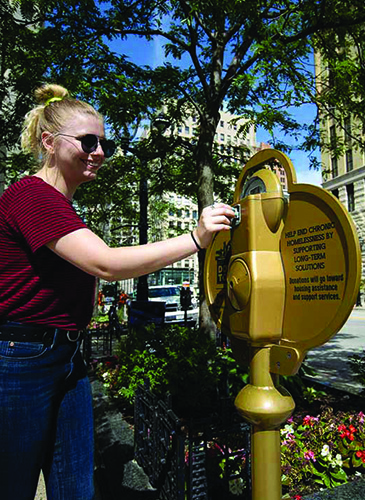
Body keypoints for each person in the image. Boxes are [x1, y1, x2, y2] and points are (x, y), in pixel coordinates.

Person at [0, 83, 234, 500]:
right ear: (49, 142)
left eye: (104, 143)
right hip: (22, 359)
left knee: (76, 487)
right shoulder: (31, 195)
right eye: (88, 141)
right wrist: (195, 239)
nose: (100, 152)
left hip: (67, 356)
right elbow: (106, 264)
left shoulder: (63, 206)